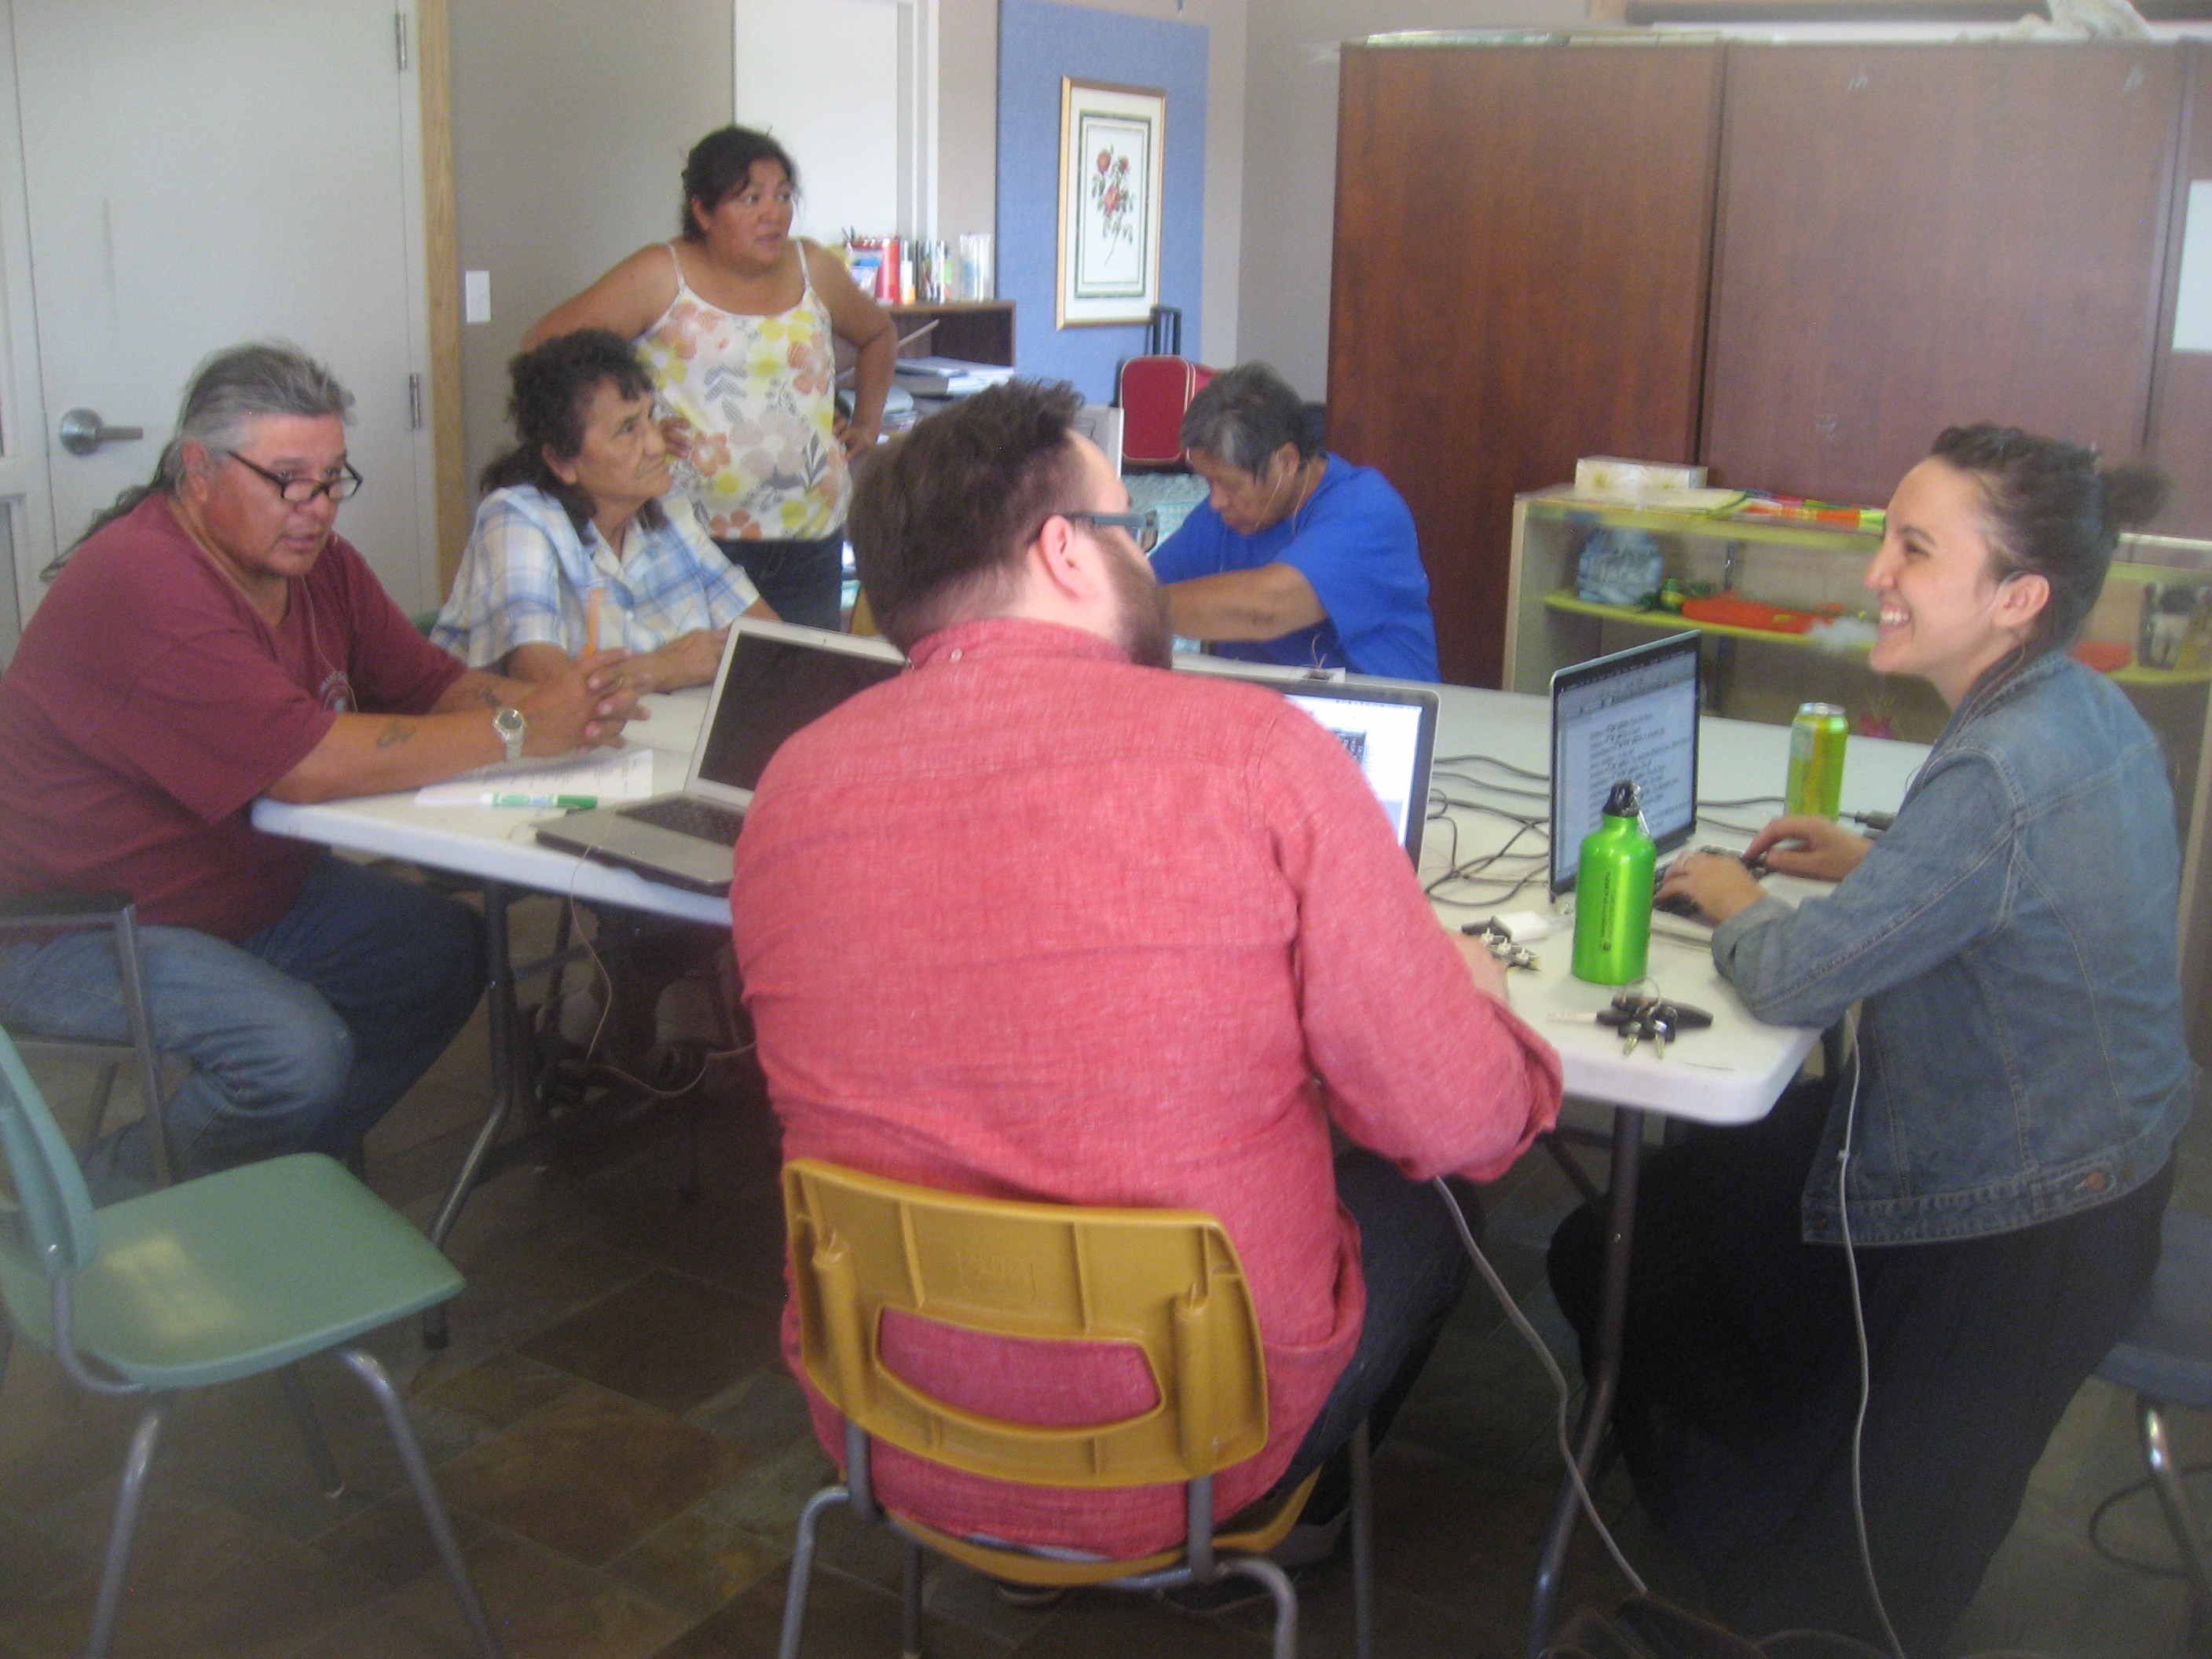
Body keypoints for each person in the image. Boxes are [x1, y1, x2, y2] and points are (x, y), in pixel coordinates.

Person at [728, 378, 1562, 1560]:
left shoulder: (792, 785)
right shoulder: (1262, 756)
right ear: (1066, 553)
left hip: (886, 1415)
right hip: (1193, 1442)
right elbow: (1465, 1121)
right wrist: (1472, 1000)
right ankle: (1303, 1526)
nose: (1148, 559)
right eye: (1131, 532)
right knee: (1429, 1193)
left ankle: (1035, 1557)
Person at [1549, 424, 2194, 1653]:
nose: (1875, 577)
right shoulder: (2083, 707)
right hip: (2107, 1172)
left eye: (1913, 549)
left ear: (2019, 596)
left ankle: (1748, 1540)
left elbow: (1798, 980)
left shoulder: (1996, 769)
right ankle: (1771, 1488)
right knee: (1688, 1210)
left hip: (2015, 1224)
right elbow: (2008, 883)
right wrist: (1886, 862)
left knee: (1617, 1252)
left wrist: (1739, 902)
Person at [0, 342, 638, 1187]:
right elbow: (304, 766)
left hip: (245, 886)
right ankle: (89, 1215)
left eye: (334, 477)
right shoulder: (142, 580)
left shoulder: (318, 567)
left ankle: (274, 1172)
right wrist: (524, 727)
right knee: (292, 1053)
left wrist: (564, 705)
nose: (316, 507)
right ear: (197, 471)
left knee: (445, 953)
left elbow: (429, 686)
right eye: (287, 479)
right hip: (75, 923)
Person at [526, 124, 895, 631]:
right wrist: (643, 420)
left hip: (811, 536)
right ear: (702, 211)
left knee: (805, 689)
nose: (774, 213)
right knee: (701, 694)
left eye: (784, 196)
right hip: (693, 540)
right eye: (750, 198)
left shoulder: (813, 266)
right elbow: (546, 349)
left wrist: (868, 424)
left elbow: (878, 335)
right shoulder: (661, 273)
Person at [433, 329, 773, 690]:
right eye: (628, 429)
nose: (657, 444)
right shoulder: (517, 518)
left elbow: (770, 641)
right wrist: (662, 668)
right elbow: (543, 682)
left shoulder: (670, 512)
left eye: (650, 417)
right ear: (562, 461)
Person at [1148, 362, 1437, 681]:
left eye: (1229, 484)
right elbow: (1144, 583)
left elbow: (1266, 609)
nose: (1215, 501)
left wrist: (1126, 610)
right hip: (1273, 712)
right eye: (1208, 483)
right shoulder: (1222, 514)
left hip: (1379, 713)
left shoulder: (1367, 510)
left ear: (1286, 461)